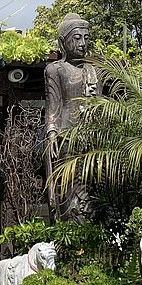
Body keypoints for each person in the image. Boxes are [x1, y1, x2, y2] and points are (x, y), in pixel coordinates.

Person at [44, 12, 98, 222]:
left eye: (86, 38)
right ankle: (69, 230)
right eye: (76, 38)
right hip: (66, 137)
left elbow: (100, 105)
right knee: (68, 188)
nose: (83, 43)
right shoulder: (55, 70)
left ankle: (90, 230)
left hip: (91, 137)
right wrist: (51, 132)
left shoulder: (94, 70)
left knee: (91, 185)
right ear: (63, 42)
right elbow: (53, 105)